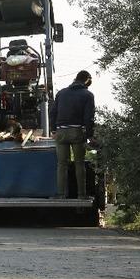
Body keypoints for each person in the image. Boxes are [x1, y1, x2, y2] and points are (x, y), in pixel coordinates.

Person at [50, 70, 96, 198]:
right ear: (86, 80)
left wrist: (53, 130)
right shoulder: (88, 95)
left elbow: (53, 113)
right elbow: (89, 118)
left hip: (61, 132)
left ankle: (60, 194)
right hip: (77, 132)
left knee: (61, 164)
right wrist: (89, 135)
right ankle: (81, 194)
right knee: (79, 163)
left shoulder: (61, 93)